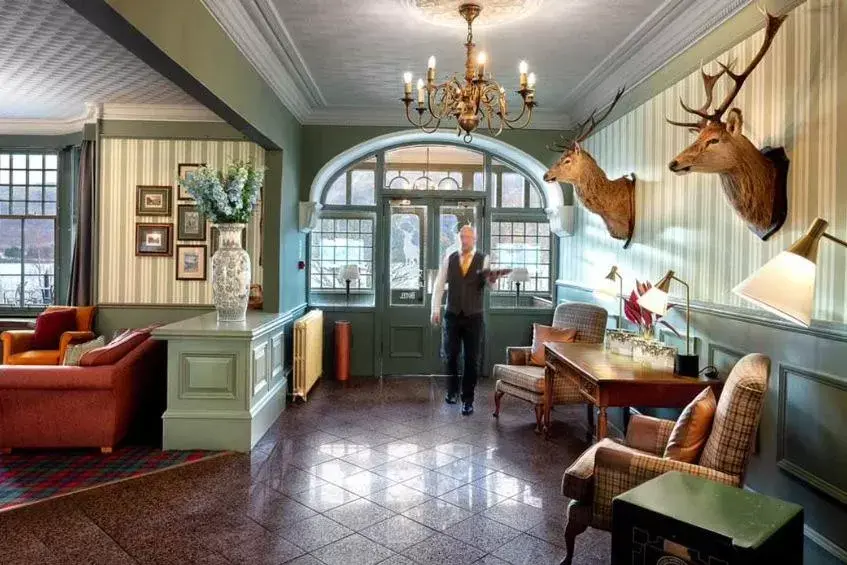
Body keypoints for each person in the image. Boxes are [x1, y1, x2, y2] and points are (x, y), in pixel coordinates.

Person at [431, 225, 506, 415]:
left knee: (472, 359)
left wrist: (493, 280)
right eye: (462, 236)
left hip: (474, 316)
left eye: (469, 237)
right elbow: (439, 284)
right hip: (452, 315)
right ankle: (452, 391)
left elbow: (491, 287)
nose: (465, 240)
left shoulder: (483, 259)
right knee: (451, 355)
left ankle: (468, 399)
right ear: (459, 238)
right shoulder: (450, 258)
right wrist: (435, 309)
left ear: (475, 239)